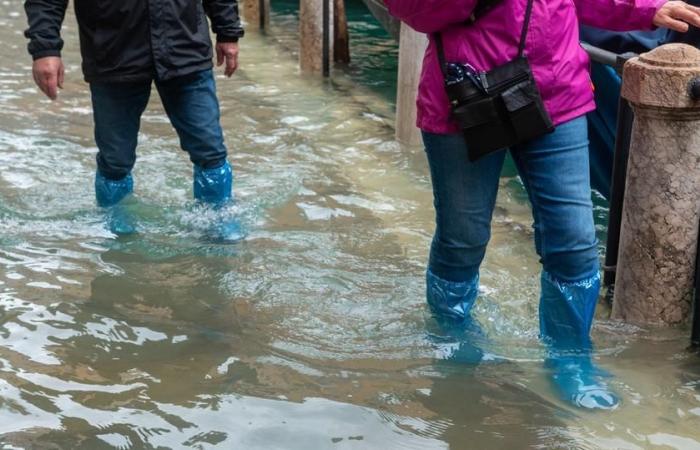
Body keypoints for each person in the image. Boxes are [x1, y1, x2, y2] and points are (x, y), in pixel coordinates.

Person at [384, 0, 700, 409]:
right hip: (462, 97)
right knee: (462, 237)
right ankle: (452, 333)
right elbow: (413, 11)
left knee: (574, 240)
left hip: (557, 92)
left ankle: (570, 359)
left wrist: (647, 8)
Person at [24, 0, 245, 240]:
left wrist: (228, 31)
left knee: (210, 150)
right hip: (113, 54)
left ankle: (218, 231)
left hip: (185, 47)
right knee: (115, 161)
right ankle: (118, 236)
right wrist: (45, 49)